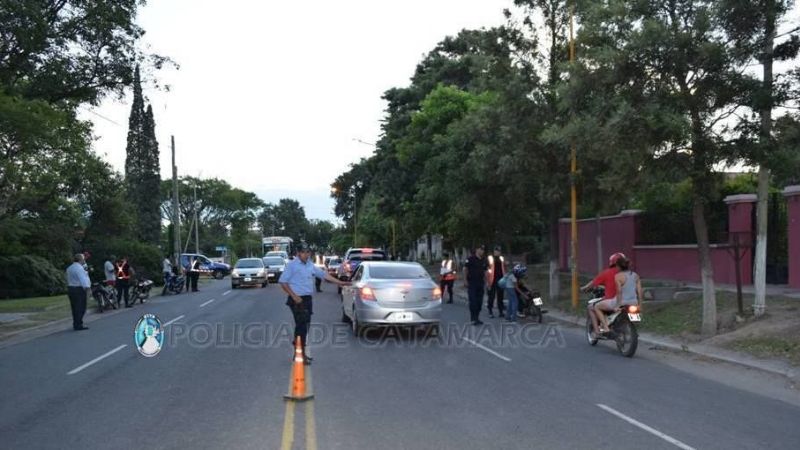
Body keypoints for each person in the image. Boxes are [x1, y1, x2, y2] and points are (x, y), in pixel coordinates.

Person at [279, 243, 350, 364]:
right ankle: (299, 354)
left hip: (307, 299)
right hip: (297, 300)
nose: (306, 254)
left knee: (305, 326)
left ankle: (299, 349)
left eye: (308, 252)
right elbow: (283, 282)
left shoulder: (310, 264)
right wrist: (294, 296)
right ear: (298, 253)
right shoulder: (292, 265)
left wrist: (340, 282)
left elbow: (323, 275)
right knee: (301, 326)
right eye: (303, 252)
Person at [593, 255, 643, 334]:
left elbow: (619, 292)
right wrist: (640, 305)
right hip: (633, 302)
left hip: (621, 302)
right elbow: (640, 292)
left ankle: (606, 328)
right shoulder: (635, 276)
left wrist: (617, 306)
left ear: (619, 267)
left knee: (596, 306)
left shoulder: (618, 276)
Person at [581, 252, 626, 337]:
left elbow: (593, 283)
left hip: (614, 300)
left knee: (593, 307)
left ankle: (602, 330)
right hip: (629, 300)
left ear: (612, 262)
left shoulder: (607, 273)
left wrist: (584, 288)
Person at [463, 246, 488, 326]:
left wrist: (487, 282)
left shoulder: (484, 260)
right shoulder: (470, 259)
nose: (482, 251)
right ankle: (473, 318)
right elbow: (465, 269)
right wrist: (465, 280)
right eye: (481, 249)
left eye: (483, 250)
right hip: (472, 283)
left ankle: (477, 317)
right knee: (473, 301)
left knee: (479, 302)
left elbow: (485, 271)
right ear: (477, 250)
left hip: (480, 283)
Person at [66, 253, 91, 331]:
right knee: (81, 307)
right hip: (79, 289)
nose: (84, 260)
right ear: (80, 259)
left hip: (71, 288)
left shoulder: (69, 268)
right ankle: (79, 324)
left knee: (74, 307)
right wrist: (87, 288)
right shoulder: (79, 268)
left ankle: (76, 323)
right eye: (83, 259)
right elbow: (82, 279)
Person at [486, 246, 507, 318]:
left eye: (499, 251)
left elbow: (504, 268)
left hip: (501, 280)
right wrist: (487, 281)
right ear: (494, 251)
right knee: (491, 296)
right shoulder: (490, 258)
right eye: (496, 250)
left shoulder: (501, 258)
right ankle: (490, 311)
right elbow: (487, 269)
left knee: (500, 296)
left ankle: (501, 312)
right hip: (492, 280)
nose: (497, 252)